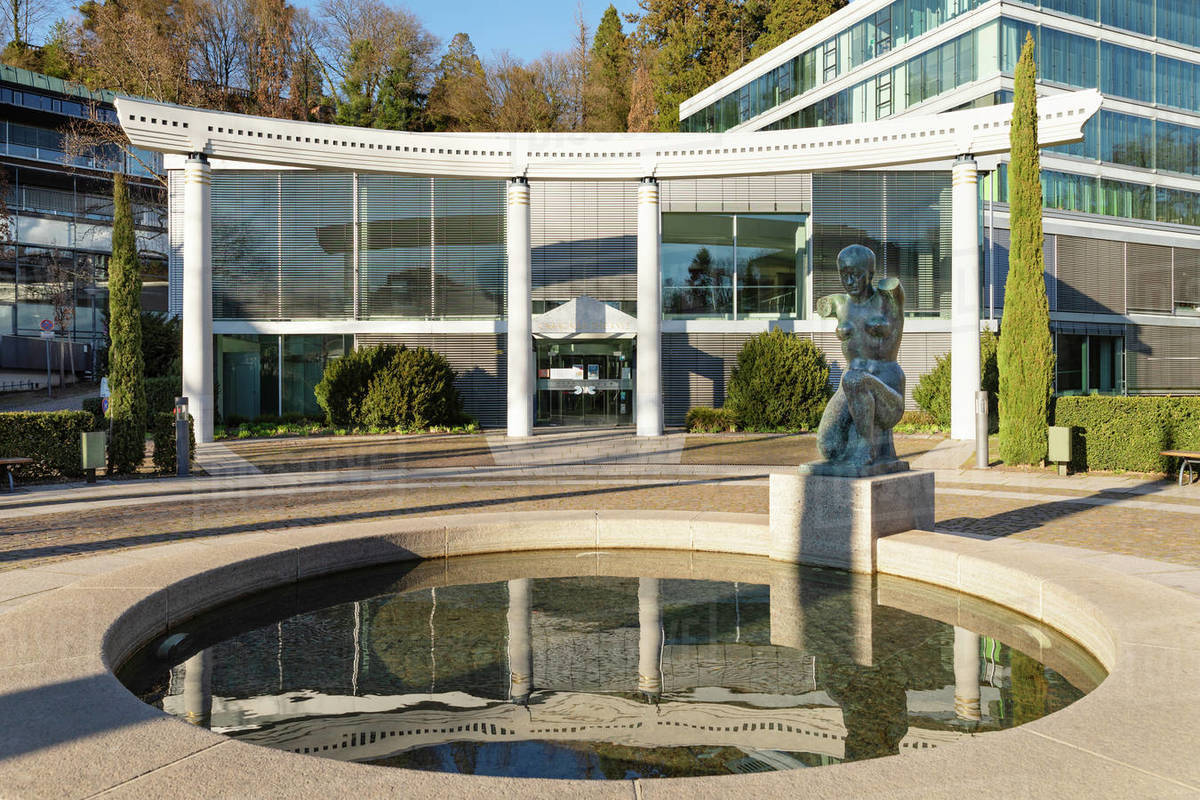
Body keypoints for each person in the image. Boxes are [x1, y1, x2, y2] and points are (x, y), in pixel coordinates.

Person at [815, 245, 906, 466]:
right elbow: (823, 305)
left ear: (871, 275)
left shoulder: (887, 300)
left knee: (855, 379)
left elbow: (895, 288)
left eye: (856, 275)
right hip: (850, 386)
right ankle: (858, 448)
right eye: (844, 275)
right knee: (829, 447)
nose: (850, 281)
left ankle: (865, 449)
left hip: (887, 388)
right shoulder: (840, 304)